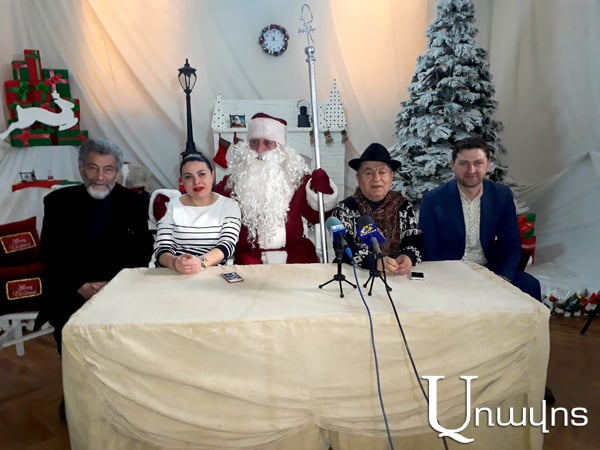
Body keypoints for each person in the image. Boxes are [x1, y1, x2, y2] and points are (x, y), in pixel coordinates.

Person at [38, 137, 154, 419]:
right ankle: (76, 395)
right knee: (72, 337)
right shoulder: (57, 202)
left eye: (108, 169)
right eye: (93, 168)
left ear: (118, 172)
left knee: (125, 340)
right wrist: (79, 285)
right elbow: (51, 254)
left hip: (120, 288)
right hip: (72, 289)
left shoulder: (135, 202)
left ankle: (119, 395)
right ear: (81, 169)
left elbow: (142, 253)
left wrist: (113, 286)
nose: (100, 177)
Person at [418, 136, 541, 300]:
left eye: (478, 163)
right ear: (452, 165)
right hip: (449, 271)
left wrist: (503, 278)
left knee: (531, 286)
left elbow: (511, 244)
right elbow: (429, 250)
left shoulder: (501, 196)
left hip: (490, 269)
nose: (471, 170)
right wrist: (450, 280)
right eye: (463, 163)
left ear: (488, 165)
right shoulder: (433, 200)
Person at [214, 112, 338, 264]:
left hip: (294, 255)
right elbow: (209, 203)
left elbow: (317, 217)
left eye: (267, 143)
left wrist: (322, 187)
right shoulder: (233, 183)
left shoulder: (297, 180)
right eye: (254, 142)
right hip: (251, 257)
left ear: (280, 149)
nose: (259, 149)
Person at [333, 143, 423, 274]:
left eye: (382, 172)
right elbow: (342, 247)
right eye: (368, 173)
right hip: (355, 275)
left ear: (391, 177)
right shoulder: (344, 209)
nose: (376, 178)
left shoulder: (403, 207)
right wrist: (374, 261)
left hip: (395, 275)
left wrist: (408, 256)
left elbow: (413, 240)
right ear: (358, 178)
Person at [154, 153, 241, 273]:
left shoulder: (229, 205)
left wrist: (200, 263)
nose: (196, 181)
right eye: (188, 177)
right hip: (174, 272)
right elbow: (162, 247)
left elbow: (227, 245)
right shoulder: (170, 206)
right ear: (182, 181)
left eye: (201, 174)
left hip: (212, 272)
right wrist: (175, 263)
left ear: (212, 175)